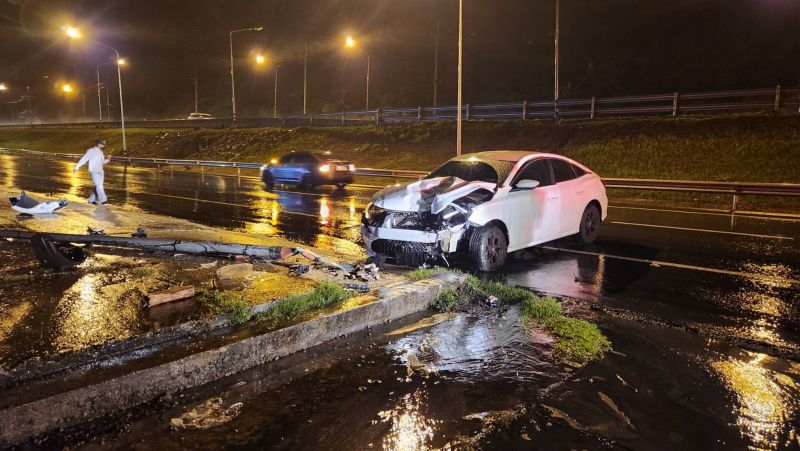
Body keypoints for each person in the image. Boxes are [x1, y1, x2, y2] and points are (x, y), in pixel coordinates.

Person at [74, 139, 112, 204]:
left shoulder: (101, 152)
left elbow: (102, 162)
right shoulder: (91, 151)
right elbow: (84, 159)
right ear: (98, 144)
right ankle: (103, 199)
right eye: (103, 143)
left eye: (104, 144)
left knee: (98, 185)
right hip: (94, 171)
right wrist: (77, 167)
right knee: (99, 185)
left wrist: (108, 159)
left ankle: (92, 199)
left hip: (101, 171)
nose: (104, 145)